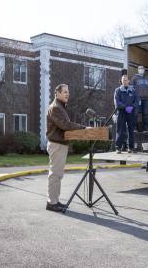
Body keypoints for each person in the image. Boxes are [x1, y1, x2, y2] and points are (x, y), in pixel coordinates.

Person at [46, 83, 85, 212]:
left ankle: (55, 201)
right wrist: (83, 128)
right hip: (57, 145)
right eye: (65, 92)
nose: (68, 94)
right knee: (55, 174)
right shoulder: (56, 107)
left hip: (60, 145)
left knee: (58, 175)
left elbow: (65, 125)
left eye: (68, 91)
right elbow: (65, 125)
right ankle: (52, 203)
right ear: (57, 93)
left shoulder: (60, 107)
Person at [114, 74, 137, 153]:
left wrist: (132, 107)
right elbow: (117, 103)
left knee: (131, 130)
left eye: (126, 80)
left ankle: (131, 148)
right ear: (121, 81)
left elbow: (136, 101)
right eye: (123, 80)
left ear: (129, 81)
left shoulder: (133, 90)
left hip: (130, 112)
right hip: (121, 112)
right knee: (120, 130)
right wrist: (126, 107)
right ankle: (118, 148)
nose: (125, 81)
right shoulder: (118, 90)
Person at [131, 65, 148, 131]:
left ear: (144, 69)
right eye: (139, 68)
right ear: (138, 70)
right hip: (137, 98)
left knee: (145, 113)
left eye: (142, 68)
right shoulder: (134, 78)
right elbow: (131, 88)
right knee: (136, 113)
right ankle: (134, 127)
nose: (141, 69)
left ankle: (145, 127)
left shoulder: (147, 78)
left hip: (146, 98)